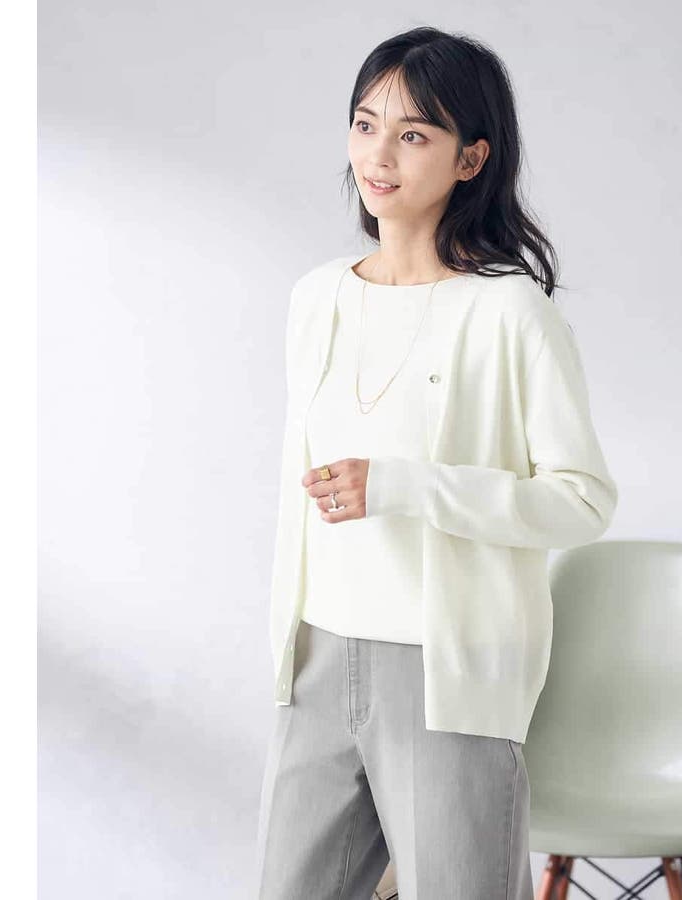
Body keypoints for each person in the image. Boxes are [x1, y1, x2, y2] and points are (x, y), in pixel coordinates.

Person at [253, 26, 618, 900]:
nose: (378, 155)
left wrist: (402, 487)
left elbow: (581, 501)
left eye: (413, 134)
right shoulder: (317, 298)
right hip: (318, 653)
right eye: (365, 124)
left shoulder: (510, 313)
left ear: (470, 159)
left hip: (447, 667)